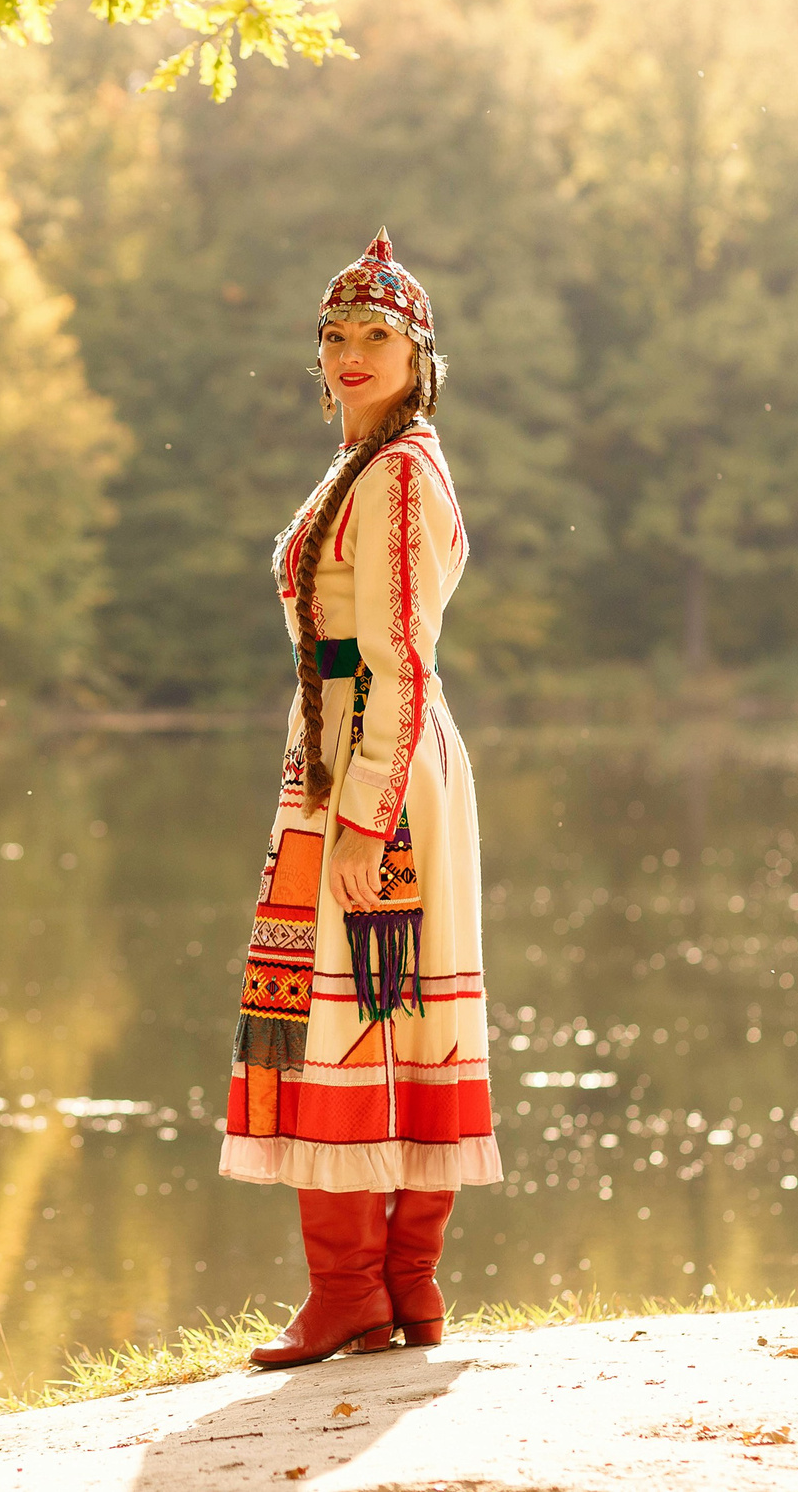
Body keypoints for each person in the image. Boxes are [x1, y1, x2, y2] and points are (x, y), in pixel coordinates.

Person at [219, 229, 502, 1367]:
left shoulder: (396, 473)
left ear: (417, 352)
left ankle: (371, 1289)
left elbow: (399, 653)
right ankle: (378, 1292)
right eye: (334, 336)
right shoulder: (366, 464)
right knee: (354, 1009)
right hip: (336, 749)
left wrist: (362, 814)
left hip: (372, 762)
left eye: (374, 337)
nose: (349, 353)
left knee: (363, 1007)